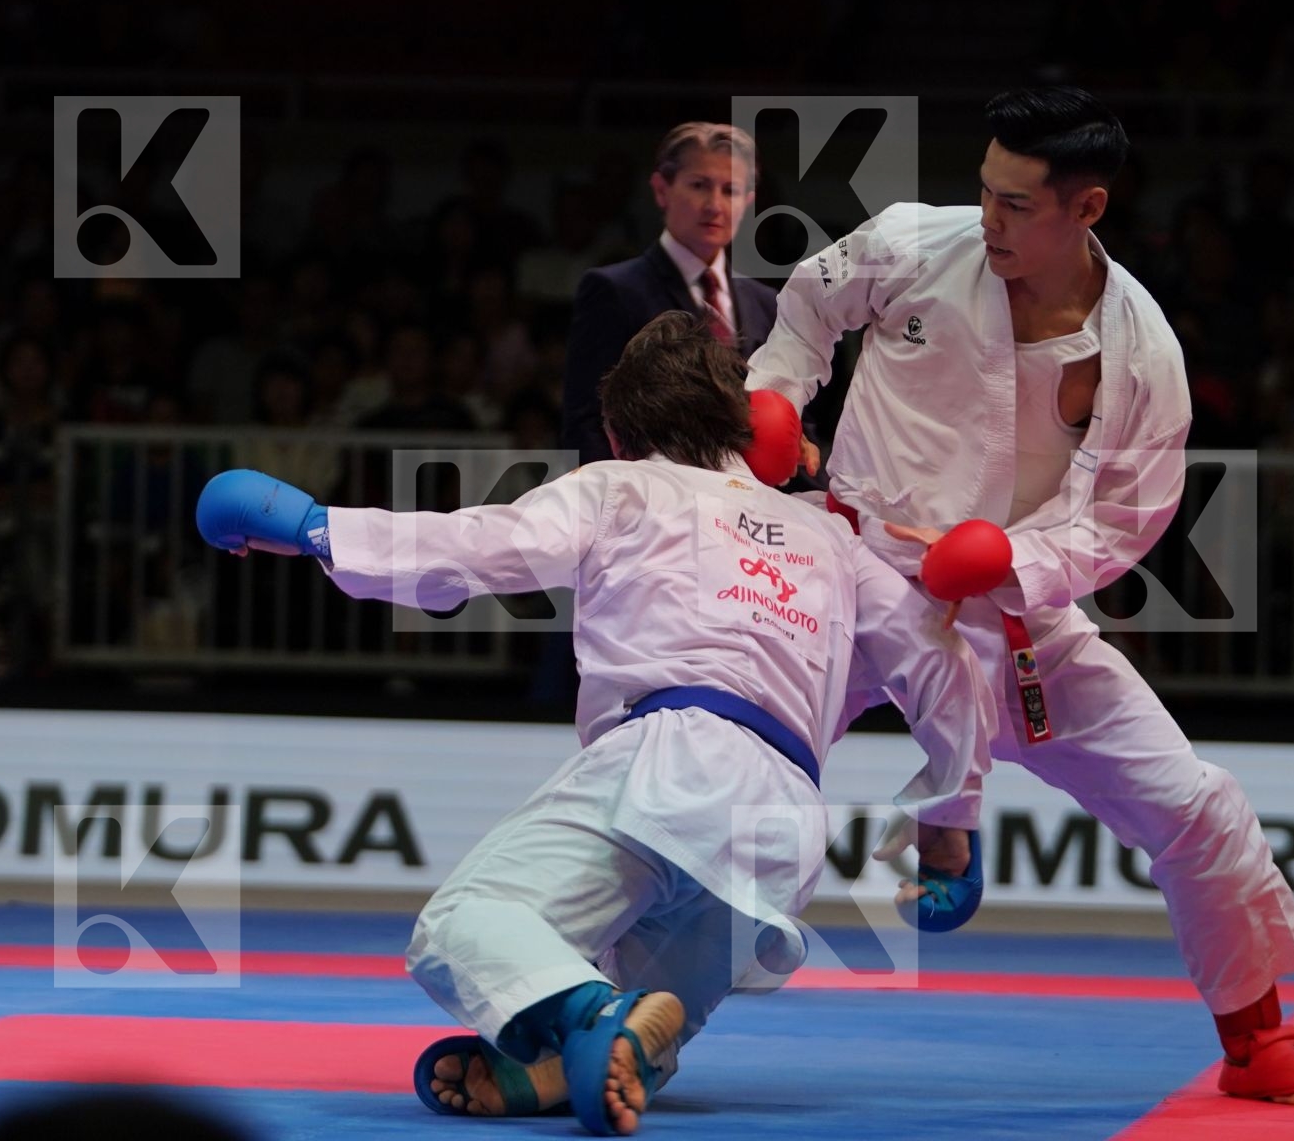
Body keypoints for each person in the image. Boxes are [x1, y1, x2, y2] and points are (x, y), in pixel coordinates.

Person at [196, 310, 992, 1135]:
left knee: (466, 925)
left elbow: (475, 549)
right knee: (647, 1008)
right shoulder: (833, 539)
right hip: (783, 826)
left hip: (671, 767)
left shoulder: (623, 486)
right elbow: (943, 666)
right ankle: (584, 1048)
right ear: (741, 426)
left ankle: (586, 1017)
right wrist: (951, 819)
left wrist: (320, 531)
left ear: (619, 434)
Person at [746, 86, 1294, 1105]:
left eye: (1017, 205)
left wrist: (1013, 562)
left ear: (1088, 209)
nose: (988, 219)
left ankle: (1257, 1037)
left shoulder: (1140, 349)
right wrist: (773, 391)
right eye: (985, 191)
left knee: (1199, 807)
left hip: (1005, 609)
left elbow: (1129, 515)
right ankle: (587, 1003)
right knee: (708, 767)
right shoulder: (912, 243)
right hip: (842, 587)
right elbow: (808, 307)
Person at [561, 123, 776, 467]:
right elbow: (587, 418)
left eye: (730, 190)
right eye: (699, 185)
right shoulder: (614, 290)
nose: (714, 205)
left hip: (751, 504)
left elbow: (792, 422)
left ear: (748, 201)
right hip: (648, 500)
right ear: (662, 190)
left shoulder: (766, 304)